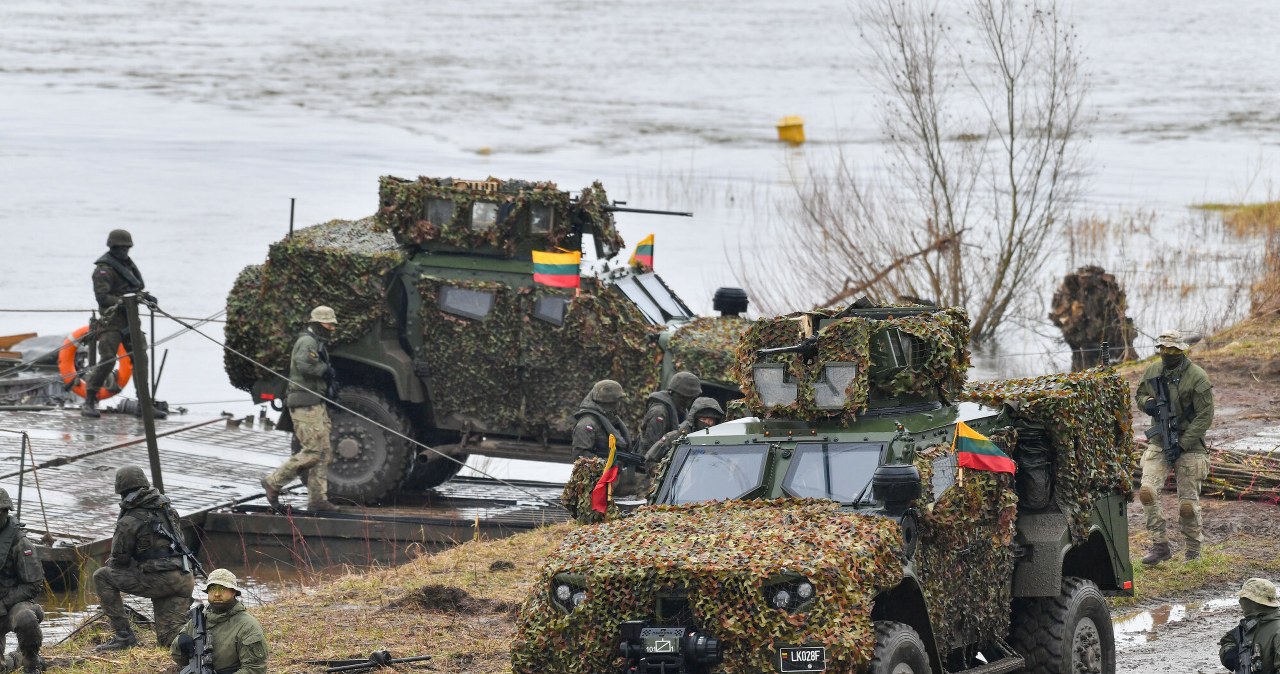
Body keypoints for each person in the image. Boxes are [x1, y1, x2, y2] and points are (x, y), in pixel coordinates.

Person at [93, 466, 195, 651]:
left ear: (121, 492)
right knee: (169, 640)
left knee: (101, 576)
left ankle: (124, 636)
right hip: (183, 579)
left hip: (159, 581)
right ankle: (209, 629)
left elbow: (118, 562)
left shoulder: (129, 521)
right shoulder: (168, 510)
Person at [1134, 329, 1214, 564]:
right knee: (1147, 491)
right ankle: (1160, 546)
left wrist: (1183, 444)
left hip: (1190, 446)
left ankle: (1193, 552)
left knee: (1187, 505)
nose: (1167, 353)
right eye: (1164, 349)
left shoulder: (1197, 377)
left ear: (1181, 350)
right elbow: (1140, 394)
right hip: (1160, 441)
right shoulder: (1152, 370)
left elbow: (1205, 416)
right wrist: (1147, 404)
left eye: (1173, 350)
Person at [261, 305, 340, 512]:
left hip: (315, 402)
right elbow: (304, 365)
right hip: (304, 404)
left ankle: (317, 500)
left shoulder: (316, 342)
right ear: (317, 324)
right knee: (313, 451)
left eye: (332, 324)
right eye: (328, 324)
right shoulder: (307, 341)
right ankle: (273, 481)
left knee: (324, 452)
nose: (332, 328)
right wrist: (326, 371)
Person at [83, 228, 148, 418]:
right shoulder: (104, 269)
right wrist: (124, 300)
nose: (125, 252)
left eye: (127, 248)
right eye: (121, 248)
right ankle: (89, 400)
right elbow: (102, 297)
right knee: (108, 360)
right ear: (112, 247)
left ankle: (144, 403)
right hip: (111, 322)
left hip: (131, 321)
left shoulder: (128, 266)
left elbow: (136, 287)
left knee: (141, 360)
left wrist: (142, 297)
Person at [170, 568, 267, 674]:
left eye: (222, 589)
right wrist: (180, 644)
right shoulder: (198, 620)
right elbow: (179, 659)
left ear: (233, 592)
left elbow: (255, 669)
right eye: (212, 589)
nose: (217, 594)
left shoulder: (248, 626)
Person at [571, 379, 642, 495]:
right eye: (616, 402)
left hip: (611, 476)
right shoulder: (587, 424)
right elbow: (580, 457)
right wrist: (610, 463)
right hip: (596, 482)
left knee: (647, 481)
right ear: (608, 402)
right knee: (644, 485)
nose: (618, 405)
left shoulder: (609, 420)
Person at [0, 489, 44, 674]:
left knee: (26, 617)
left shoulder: (20, 543)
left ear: (4, 512)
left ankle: (30, 660)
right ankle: (13, 659)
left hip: (12, 607)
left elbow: (33, 585)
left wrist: (3, 603)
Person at [644, 396, 726, 470]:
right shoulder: (675, 438)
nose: (708, 423)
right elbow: (650, 460)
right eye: (704, 419)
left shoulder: (719, 443)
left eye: (712, 420)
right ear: (694, 419)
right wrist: (664, 475)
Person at [1219, 578, 1280, 674]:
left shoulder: (1277, 630)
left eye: (1243, 599)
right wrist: (1229, 651)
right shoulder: (1252, 623)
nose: (1240, 602)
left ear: (1254, 603)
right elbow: (1229, 640)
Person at [637, 371, 702, 452]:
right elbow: (650, 445)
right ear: (684, 397)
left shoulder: (682, 411)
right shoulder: (659, 412)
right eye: (690, 398)